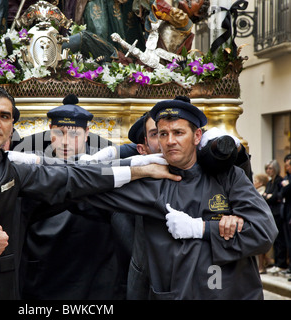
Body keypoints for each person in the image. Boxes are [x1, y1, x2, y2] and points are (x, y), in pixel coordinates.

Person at [0, 85, 179, 300]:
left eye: (4, 116)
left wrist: (137, 168)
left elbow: (73, 176)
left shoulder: (13, 168)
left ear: (10, 128)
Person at [82, 96, 278, 299]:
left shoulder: (228, 177)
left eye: (178, 132)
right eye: (163, 134)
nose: (170, 141)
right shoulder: (152, 182)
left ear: (197, 136)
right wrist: (129, 165)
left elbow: (263, 232)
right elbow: (89, 183)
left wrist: (203, 228)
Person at [20, 95, 130, 299]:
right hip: (45, 273)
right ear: (49, 131)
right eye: (58, 133)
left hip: (95, 273)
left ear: (87, 133)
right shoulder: (33, 168)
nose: (65, 142)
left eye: (74, 134)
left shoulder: (104, 168)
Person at [263, 159, 288, 274]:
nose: (268, 171)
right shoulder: (269, 182)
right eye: (267, 168)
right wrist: (268, 196)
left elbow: (277, 197)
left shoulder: (279, 180)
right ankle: (277, 262)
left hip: (278, 213)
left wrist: (269, 196)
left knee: (280, 239)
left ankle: (281, 263)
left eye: (270, 168)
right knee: (275, 239)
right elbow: (265, 197)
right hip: (271, 213)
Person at [254, 173, 274, 273]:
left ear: (261, 183)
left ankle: (261, 266)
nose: (254, 183)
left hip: (262, 221)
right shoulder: (258, 190)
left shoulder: (261, 191)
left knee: (260, 244)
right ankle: (266, 262)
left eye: (256, 181)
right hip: (259, 220)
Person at [280, 155, 291, 277]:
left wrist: (286, 186)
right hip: (286, 214)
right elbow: (280, 193)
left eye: (288, 164)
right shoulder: (286, 177)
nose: (287, 167)